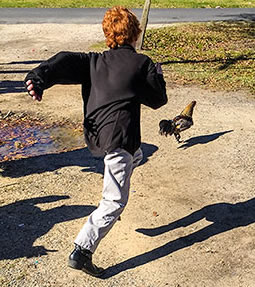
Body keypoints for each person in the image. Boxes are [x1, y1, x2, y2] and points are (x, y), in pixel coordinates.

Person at [24, 6, 167, 277]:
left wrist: (38, 78)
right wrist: (157, 76)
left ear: (108, 36)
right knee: (114, 201)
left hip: (98, 135)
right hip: (119, 141)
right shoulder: (142, 63)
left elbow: (64, 60)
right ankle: (82, 250)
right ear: (135, 34)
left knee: (136, 155)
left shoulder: (94, 62)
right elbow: (158, 100)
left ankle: (117, 186)